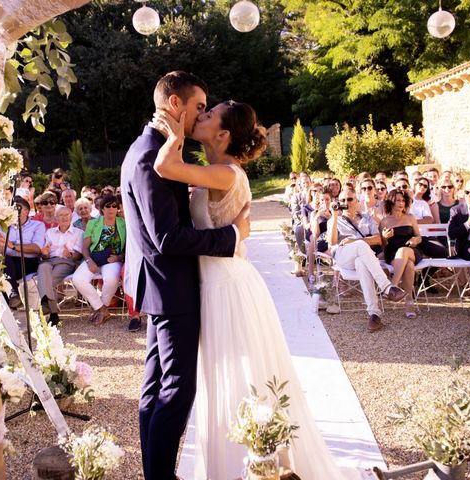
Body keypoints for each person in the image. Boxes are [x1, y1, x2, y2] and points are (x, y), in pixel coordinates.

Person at [152, 99, 363, 479]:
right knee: (226, 373)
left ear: (223, 134)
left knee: (245, 376)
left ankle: (257, 464)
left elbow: (165, 166)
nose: (200, 117)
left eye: (208, 114)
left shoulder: (228, 174)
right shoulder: (213, 171)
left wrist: (172, 131)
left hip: (228, 286)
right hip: (216, 282)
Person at [120, 71, 249, 480]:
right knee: (176, 390)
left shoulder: (161, 149)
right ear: (175, 104)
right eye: (197, 107)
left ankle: (156, 474)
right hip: (170, 285)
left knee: (157, 387)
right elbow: (166, 237)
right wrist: (231, 237)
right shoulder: (150, 153)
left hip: (167, 284)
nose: (199, 116)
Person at [328, 188, 407, 332]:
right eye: (343, 200)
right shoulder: (334, 220)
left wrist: (355, 241)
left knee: (361, 261)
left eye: (350, 199)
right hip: (343, 255)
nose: (346, 203)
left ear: (357, 201)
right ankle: (387, 287)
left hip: (363, 256)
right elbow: (332, 242)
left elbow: (378, 239)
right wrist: (333, 217)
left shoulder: (367, 218)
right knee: (360, 245)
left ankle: (374, 314)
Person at [73, 194, 126, 325]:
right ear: (102, 209)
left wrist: (119, 257)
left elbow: (129, 246)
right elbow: (85, 248)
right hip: (94, 257)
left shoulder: (123, 223)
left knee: (111, 279)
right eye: (108, 206)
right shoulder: (93, 223)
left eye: (114, 206)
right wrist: (89, 261)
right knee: (78, 279)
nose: (111, 208)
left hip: (113, 259)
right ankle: (101, 308)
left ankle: (102, 309)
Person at [380, 190, 422, 318]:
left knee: (403, 250)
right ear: (391, 201)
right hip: (393, 253)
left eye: (403, 200)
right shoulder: (385, 221)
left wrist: (415, 240)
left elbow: (419, 236)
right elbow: (382, 245)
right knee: (408, 266)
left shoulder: (410, 217)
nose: (401, 203)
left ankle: (392, 287)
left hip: (411, 250)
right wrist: (384, 237)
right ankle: (409, 303)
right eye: (398, 200)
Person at [37, 207, 83, 325]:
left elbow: (78, 255)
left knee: (49, 281)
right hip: (50, 261)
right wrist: (45, 253)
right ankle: (47, 305)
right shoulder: (50, 232)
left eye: (67, 214)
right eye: (61, 215)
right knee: (42, 268)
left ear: (71, 216)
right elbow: (45, 254)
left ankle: (51, 310)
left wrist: (71, 254)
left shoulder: (78, 233)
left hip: (66, 261)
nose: (64, 217)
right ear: (56, 218)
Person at [0, 196, 46, 309]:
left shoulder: (37, 225)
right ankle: (11, 298)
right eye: (13, 210)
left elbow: (36, 248)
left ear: (27, 211)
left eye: (18, 209)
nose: (15, 213)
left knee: (5, 267)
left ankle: (12, 296)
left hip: (29, 261)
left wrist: (13, 246)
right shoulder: (5, 227)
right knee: (1, 263)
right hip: (9, 263)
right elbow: (1, 248)